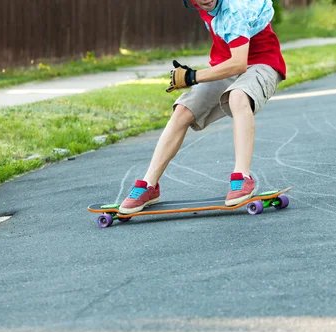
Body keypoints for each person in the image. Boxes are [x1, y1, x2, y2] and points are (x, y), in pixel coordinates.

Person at [118, 0, 286, 214]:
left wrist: (192, 76)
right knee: (182, 111)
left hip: (263, 64)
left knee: (238, 96)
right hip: (224, 67)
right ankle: (149, 185)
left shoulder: (235, 9)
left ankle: (242, 177)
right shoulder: (201, 4)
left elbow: (239, 63)